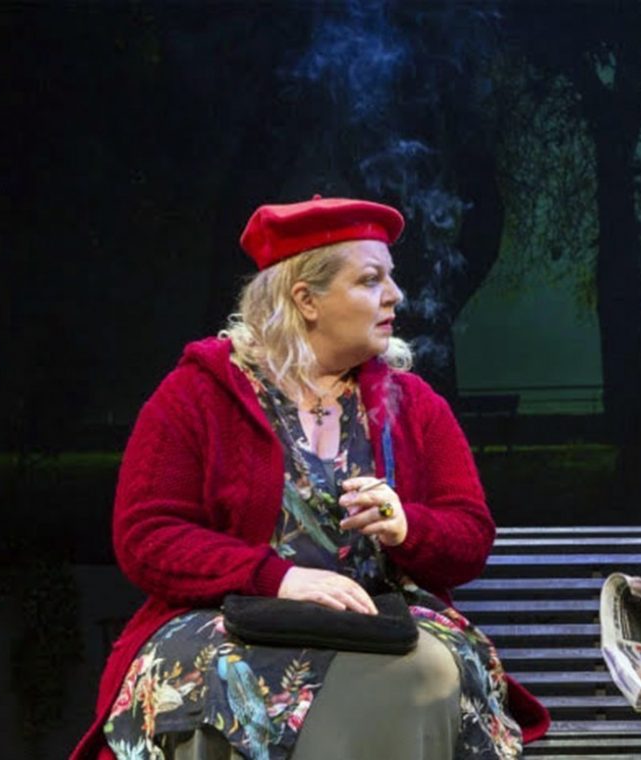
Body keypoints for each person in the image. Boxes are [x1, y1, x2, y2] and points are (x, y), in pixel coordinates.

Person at [71, 196, 549, 760]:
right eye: (370, 280)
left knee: (425, 671)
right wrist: (275, 577)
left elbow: (470, 536)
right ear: (306, 299)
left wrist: (406, 527)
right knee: (213, 676)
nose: (395, 295)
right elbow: (147, 536)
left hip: (379, 619)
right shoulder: (197, 395)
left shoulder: (413, 405)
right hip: (233, 618)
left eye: (390, 277)